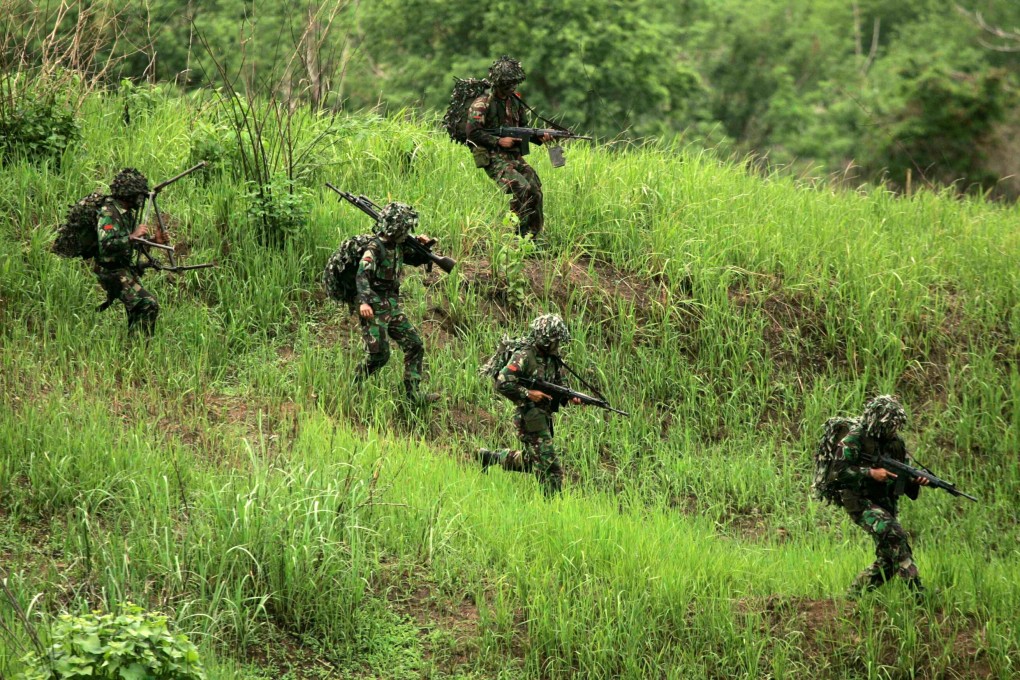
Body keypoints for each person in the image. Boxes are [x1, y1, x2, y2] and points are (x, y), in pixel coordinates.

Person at [833, 395, 930, 598]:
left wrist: (915, 481)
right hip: (859, 501)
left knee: (890, 559)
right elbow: (839, 472)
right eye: (890, 425)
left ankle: (853, 597)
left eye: (896, 426)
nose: (894, 430)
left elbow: (903, 479)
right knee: (896, 535)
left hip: (885, 502)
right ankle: (917, 593)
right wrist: (870, 473)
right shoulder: (855, 439)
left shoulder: (896, 444)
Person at [477, 314, 583, 495]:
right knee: (551, 467)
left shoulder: (553, 359)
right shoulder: (524, 356)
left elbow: (558, 385)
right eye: (555, 341)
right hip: (529, 417)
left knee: (531, 462)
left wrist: (569, 397)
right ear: (546, 340)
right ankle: (551, 504)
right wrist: (528, 393)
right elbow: (502, 382)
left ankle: (490, 457)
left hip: (544, 417)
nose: (558, 345)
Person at [354, 202, 439, 405]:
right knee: (379, 356)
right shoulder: (375, 248)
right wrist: (364, 302)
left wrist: (424, 247)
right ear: (396, 228)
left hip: (391, 306)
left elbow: (416, 260)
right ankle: (354, 386)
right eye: (405, 228)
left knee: (415, 345)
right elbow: (362, 274)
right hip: (374, 307)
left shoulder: (399, 246)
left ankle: (413, 395)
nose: (407, 232)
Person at [465, 55, 551, 238]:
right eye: (508, 83)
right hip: (493, 157)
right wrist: (498, 141)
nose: (512, 87)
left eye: (514, 83)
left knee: (535, 189)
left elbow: (523, 129)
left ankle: (533, 237)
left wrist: (539, 137)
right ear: (498, 83)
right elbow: (472, 132)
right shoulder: (482, 104)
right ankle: (518, 236)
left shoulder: (515, 102)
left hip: (513, 156)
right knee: (522, 188)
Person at [93, 168, 159, 336]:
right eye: (138, 195)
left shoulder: (126, 214)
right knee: (147, 303)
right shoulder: (109, 212)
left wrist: (154, 240)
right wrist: (131, 237)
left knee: (138, 308)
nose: (140, 200)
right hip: (111, 271)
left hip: (123, 269)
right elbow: (106, 244)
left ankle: (136, 345)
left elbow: (133, 243)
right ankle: (139, 344)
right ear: (129, 194)